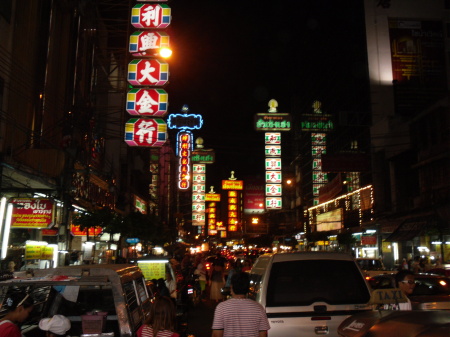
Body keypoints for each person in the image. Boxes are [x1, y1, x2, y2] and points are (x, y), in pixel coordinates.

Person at [211, 271, 270, 337]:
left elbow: (217, 334)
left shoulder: (221, 308)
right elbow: (263, 334)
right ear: (247, 288)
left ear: (231, 287)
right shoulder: (258, 308)